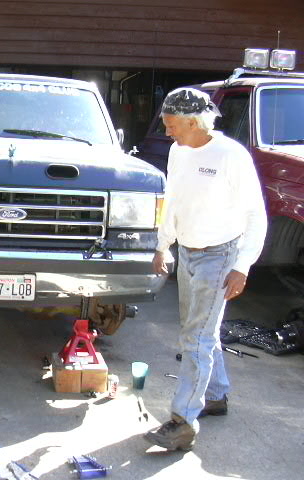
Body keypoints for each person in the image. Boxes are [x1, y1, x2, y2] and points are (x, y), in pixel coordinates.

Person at [145, 87, 267, 451]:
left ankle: (182, 422)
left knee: (196, 338)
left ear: (195, 122)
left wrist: (242, 266)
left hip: (220, 256)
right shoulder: (177, 151)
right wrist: (162, 245)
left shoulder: (231, 156)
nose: (167, 133)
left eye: (172, 126)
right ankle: (215, 395)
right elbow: (174, 202)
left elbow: (254, 215)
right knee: (198, 332)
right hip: (188, 253)